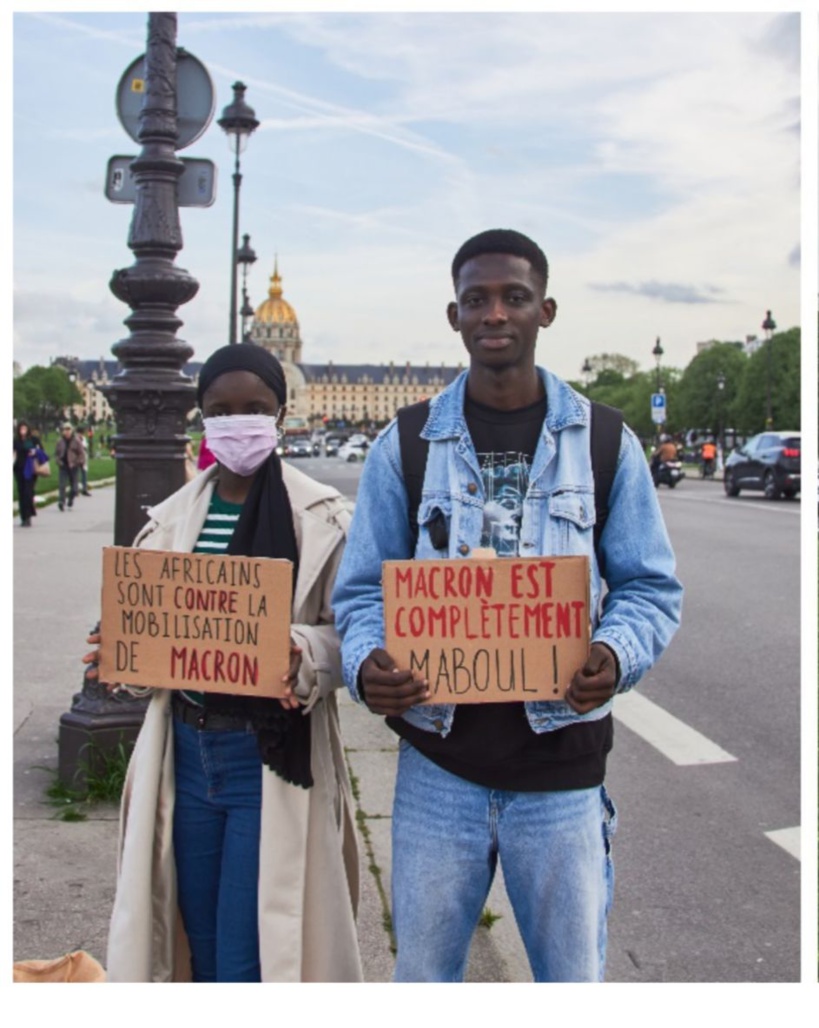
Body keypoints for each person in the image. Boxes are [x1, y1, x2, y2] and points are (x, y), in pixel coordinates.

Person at [331, 228, 683, 983]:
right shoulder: (407, 442)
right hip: (438, 763)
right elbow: (360, 588)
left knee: (568, 982)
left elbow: (650, 586)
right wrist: (365, 665)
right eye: (476, 300)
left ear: (544, 311)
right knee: (423, 979)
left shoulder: (605, 440)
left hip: (561, 768)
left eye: (513, 298)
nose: (495, 314)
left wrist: (614, 653)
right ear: (453, 316)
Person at [83, 344, 362, 982]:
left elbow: (356, 636)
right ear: (202, 420)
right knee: (197, 940)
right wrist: (123, 652)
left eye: (255, 409)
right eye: (221, 411)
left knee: (245, 954)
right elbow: (163, 638)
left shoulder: (323, 518)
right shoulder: (170, 520)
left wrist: (306, 653)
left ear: (282, 414)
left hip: (265, 757)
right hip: (185, 749)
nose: (239, 423)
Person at [13, 420, 46, 527]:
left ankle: (28, 516)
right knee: (21, 493)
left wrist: (35, 452)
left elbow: (41, 450)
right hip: (19, 469)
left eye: (24, 428)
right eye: (21, 429)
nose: (23, 431)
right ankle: (24, 517)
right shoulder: (16, 441)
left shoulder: (33, 440)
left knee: (28, 493)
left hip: (31, 470)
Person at [54, 421, 84, 511]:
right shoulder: (60, 441)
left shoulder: (76, 440)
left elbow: (81, 454)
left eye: (68, 429)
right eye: (64, 429)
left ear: (72, 430)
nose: (66, 431)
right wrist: (58, 461)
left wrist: (78, 462)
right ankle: (61, 502)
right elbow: (56, 454)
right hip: (63, 466)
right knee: (62, 485)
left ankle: (70, 499)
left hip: (73, 466)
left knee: (74, 488)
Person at [75, 425, 92, 495]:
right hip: (76, 458)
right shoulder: (75, 439)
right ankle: (75, 490)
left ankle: (84, 489)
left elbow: (85, 447)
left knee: (84, 474)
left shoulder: (83, 438)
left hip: (83, 458)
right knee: (76, 474)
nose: (81, 434)